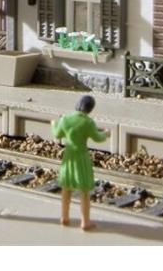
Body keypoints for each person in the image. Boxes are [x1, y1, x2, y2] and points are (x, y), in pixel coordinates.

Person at [52, 94, 108, 231]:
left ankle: (64, 217)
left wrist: (53, 125)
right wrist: (106, 133)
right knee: (84, 190)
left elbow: (57, 134)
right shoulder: (87, 122)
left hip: (69, 156)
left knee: (66, 187)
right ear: (90, 109)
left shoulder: (65, 119)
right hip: (81, 157)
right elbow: (98, 138)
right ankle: (85, 221)